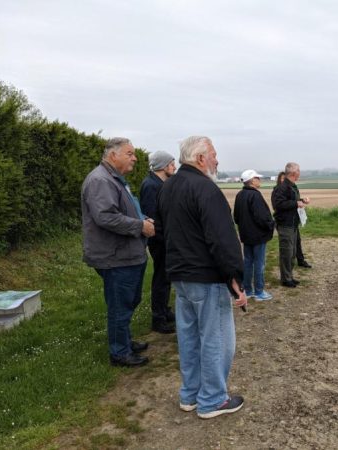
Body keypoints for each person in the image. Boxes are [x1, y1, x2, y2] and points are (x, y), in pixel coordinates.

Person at [156, 135, 247, 419]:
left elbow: (165, 231)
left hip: (180, 275)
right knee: (216, 339)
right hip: (207, 277)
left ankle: (191, 395)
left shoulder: (169, 186)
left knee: (190, 338)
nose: (217, 160)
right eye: (214, 155)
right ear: (200, 159)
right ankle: (213, 400)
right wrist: (234, 279)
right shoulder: (205, 188)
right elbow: (222, 239)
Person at [81, 137, 155, 367]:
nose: (134, 158)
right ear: (113, 155)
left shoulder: (114, 179)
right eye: (129, 153)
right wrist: (140, 226)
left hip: (127, 254)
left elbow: (125, 209)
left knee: (129, 300)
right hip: (115, 257)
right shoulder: (100, 180)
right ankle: (119, 352)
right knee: (120, 305)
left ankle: (124, 340)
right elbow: (105, 216)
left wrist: (142, 218)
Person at [139, 151, 176, 334]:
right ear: (162, 166)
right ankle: (158, 318)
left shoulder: (160, 183)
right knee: (161, 278)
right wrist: (165, 238)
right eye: (171, 163)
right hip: (160, 240)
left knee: (166, 277)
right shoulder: (151, 185)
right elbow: (152, 217)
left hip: (166, 238)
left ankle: (164, 309)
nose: (174, 167)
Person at [233, 169, 275, 301]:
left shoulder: (240, 195)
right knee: (259, 263)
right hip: (258, 236)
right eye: (257, 178)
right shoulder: (255, 196)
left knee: (247, 262)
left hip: (246, 236)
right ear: (251, 181)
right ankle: (259, 292)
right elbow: (262, 217)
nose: (259, 180)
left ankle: (248, 290)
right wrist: (271, 225)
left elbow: (236, 217)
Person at [271, 163, 310, 287]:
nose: (300, 172)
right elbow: (278, 205)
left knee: (292, 253)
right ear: (294, 173)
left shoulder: (293, 186)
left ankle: (290, 276)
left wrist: (301, 201)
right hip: (285, 224)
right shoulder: (281, 188)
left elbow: (293, 201)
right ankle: (285, 279)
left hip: (293, 223)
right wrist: (296, 204)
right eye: (299, 170)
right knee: (286, 253)